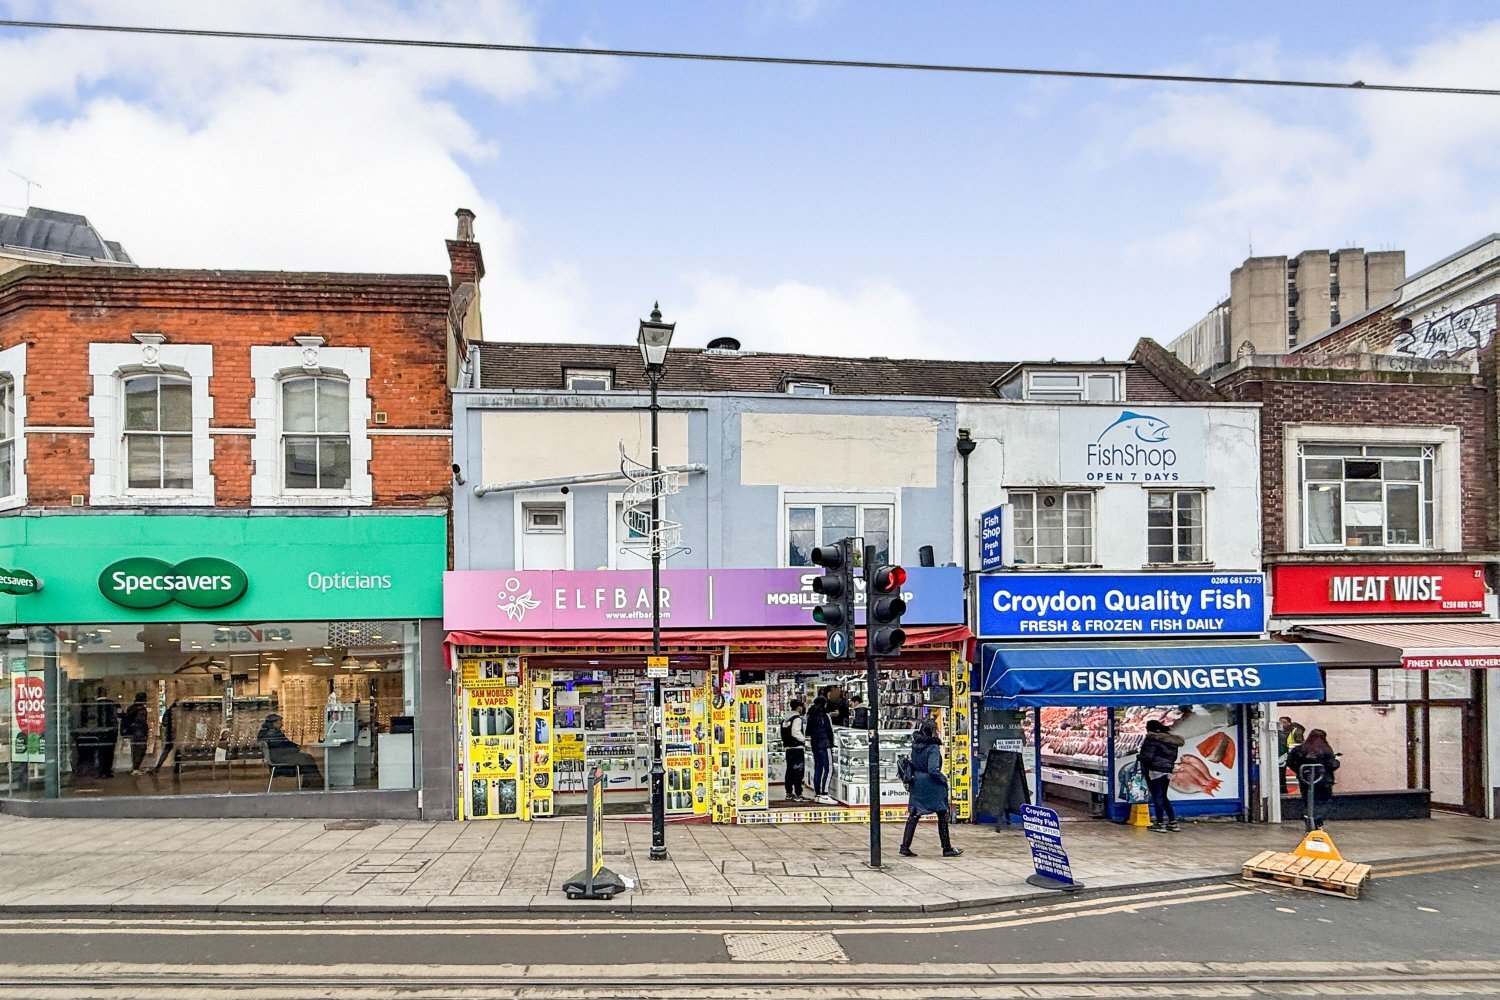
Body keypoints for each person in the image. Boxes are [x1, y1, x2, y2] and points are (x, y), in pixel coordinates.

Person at [900, 718, 962, 858]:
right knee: (942, 814)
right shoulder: (933, 748)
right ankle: (947, 848)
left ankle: (905, 846)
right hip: (931, 785)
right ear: (933, 732)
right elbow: (933, 769)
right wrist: (943, 779)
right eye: (936, 730)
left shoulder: (916, 745)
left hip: (918, 783)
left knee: (914, 814)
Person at [1138, 719, 1184, 833]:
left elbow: (1147, 757)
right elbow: (1172, 758)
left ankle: (1159, 823)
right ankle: (1172, 822)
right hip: (1167, 770)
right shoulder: (1171, 741)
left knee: (1157, 796)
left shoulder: (1151, 740)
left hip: (1154, 770)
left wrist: (1139, 757)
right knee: (1164, 796)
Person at [1287, 728, 1339, 830]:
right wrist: (1337, 761)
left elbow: (1290, 762)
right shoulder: (1325, 750)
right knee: (1321, 802)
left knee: (1308, 801)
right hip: (1324, 781)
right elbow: (1332, 765)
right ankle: (1317, 821)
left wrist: (1300, 772)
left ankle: (1310, 820)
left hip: (1306, 780)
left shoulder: (1299, 750)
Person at [257, 713, 322, 785]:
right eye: (279, 722)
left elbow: (285, 744)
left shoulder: (269, 733)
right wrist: (296, 748)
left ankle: (312, 782)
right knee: (308, 759)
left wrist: (296, 747)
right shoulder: (272, 734)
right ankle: (315, 782)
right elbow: (283, 747)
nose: (281, 724)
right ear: (274, 723)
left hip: (279, 756)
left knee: (307, 759)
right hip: (280, 758)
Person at [806, 696, 836, 803]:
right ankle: (824, 794)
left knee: (818, 768)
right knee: (829, 768)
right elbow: (830, 731)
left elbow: (807, 732)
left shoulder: (810, 715)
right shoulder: (825, 715)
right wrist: (832, 744)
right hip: (825, 744)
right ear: (824, 704)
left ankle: (817, 794)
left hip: (815, 744)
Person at [780, 699, 808, 802]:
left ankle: (789, 792)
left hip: (788, 749)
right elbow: (795, 732)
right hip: (797, 749)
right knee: (798, 771)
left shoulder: (785, 719)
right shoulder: (797, 719)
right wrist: (804, 739)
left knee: (789, 771)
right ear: (799, 707)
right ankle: (798, 793)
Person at [120, 693, 152, 776]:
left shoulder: (131, 708)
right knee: (141, 749)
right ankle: (136, 768)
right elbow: (140, 722)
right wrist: (145, 730)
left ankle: (135, 767)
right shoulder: (141, 709)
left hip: (133, 732)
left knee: (135, 750)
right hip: (140, 733)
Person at [1278, 716, 1307, 792]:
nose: (1281, 724)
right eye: (1280, 722)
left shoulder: (1296, 731)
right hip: (1284, 757)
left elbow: (1299, 744)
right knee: (1282, 776)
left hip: (1290, 757)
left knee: (1286, 776)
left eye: (1284, 722)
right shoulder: (1281, 732)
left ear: (1289, 723)